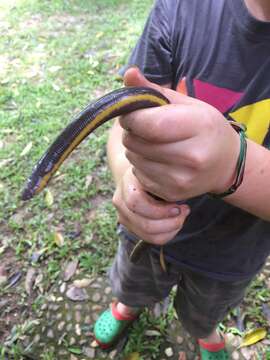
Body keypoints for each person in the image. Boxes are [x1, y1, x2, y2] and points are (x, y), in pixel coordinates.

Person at [94, 0, 270, 358]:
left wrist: (232, 164)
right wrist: (127, 175)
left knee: (206, 310)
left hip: (232, 252)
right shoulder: (180, 8)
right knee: (133, 282)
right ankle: (129, 305)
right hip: (145, 231)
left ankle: (205, 331)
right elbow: (126, 118)